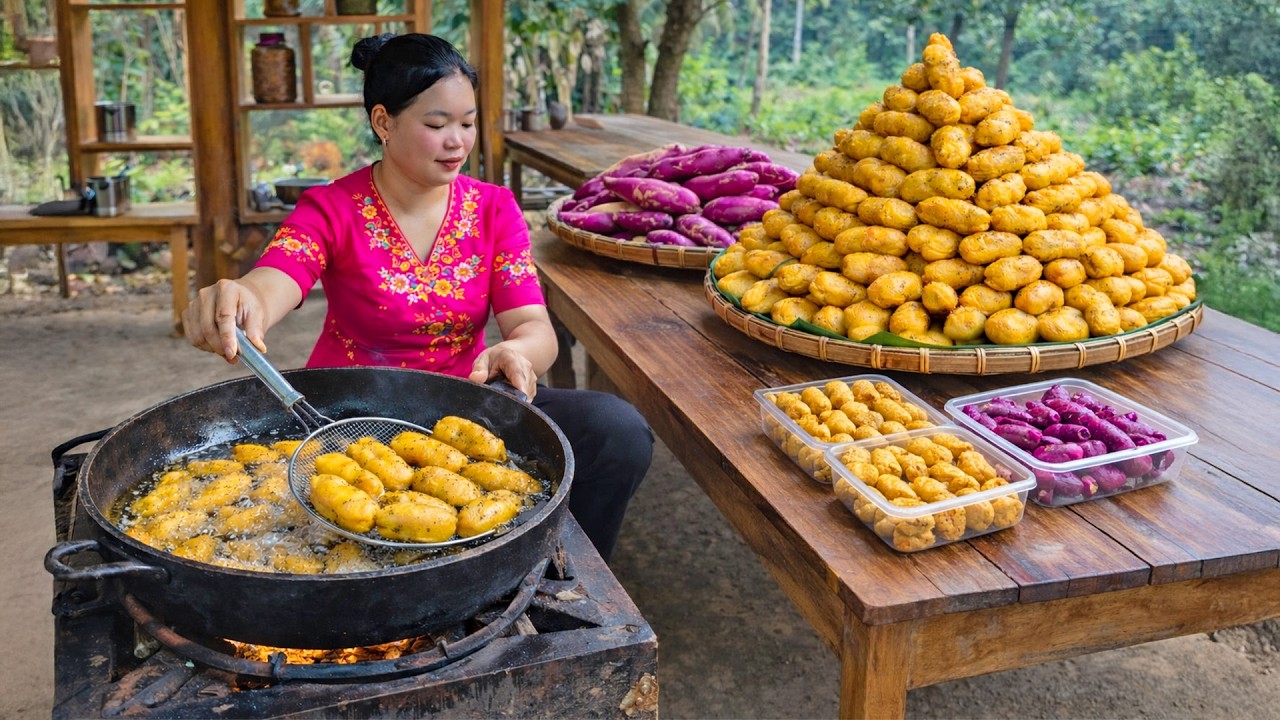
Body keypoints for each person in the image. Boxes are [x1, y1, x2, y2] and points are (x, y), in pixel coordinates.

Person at [183, 32, 652, 562]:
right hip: (349, 418)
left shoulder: (494, 209)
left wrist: (516, 353)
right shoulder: (332, 208)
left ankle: (552, 574)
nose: (458, 142)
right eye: (436, 125)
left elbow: (534, 328)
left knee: (618, 432)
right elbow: (274, 282)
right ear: (384, 122)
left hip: (465, 407)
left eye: (467, 123)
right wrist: (242, 298)